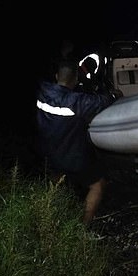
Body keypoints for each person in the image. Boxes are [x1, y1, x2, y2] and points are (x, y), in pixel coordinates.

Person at [35, 58, 117, 226]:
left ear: (57, 75)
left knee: (54, 184)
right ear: (76, 80)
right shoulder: (78, 101)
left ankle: (47, 221)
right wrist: (115, 94)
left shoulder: (42, 91)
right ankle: (83, 228)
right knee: (98, 185)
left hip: (47, 155)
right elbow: (102, 101)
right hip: (72, 160)